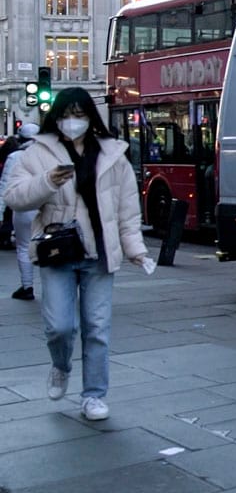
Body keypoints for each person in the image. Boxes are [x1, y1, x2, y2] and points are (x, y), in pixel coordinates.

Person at [3, 87, 148, 422]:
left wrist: (136, 249)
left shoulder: (113, 153)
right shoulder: (38, 152)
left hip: (99, 254)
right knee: (59, 327)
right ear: (56, 117)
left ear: (90, 117)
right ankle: (61, 365)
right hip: (59, 252)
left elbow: (127, 209)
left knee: (97, 328)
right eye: (67, 115)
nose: (73, 122)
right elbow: (14, 197)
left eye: (80, 115)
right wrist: (47, 181)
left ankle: (94, 395)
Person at [1, 123, 41, 299]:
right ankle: (55, 286)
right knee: (50, 246)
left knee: (24, 247)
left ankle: (27, 286)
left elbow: (4, 186)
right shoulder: (50, 155)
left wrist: (0, 212)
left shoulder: (15, 157)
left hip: (24, 208)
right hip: (48, 207)